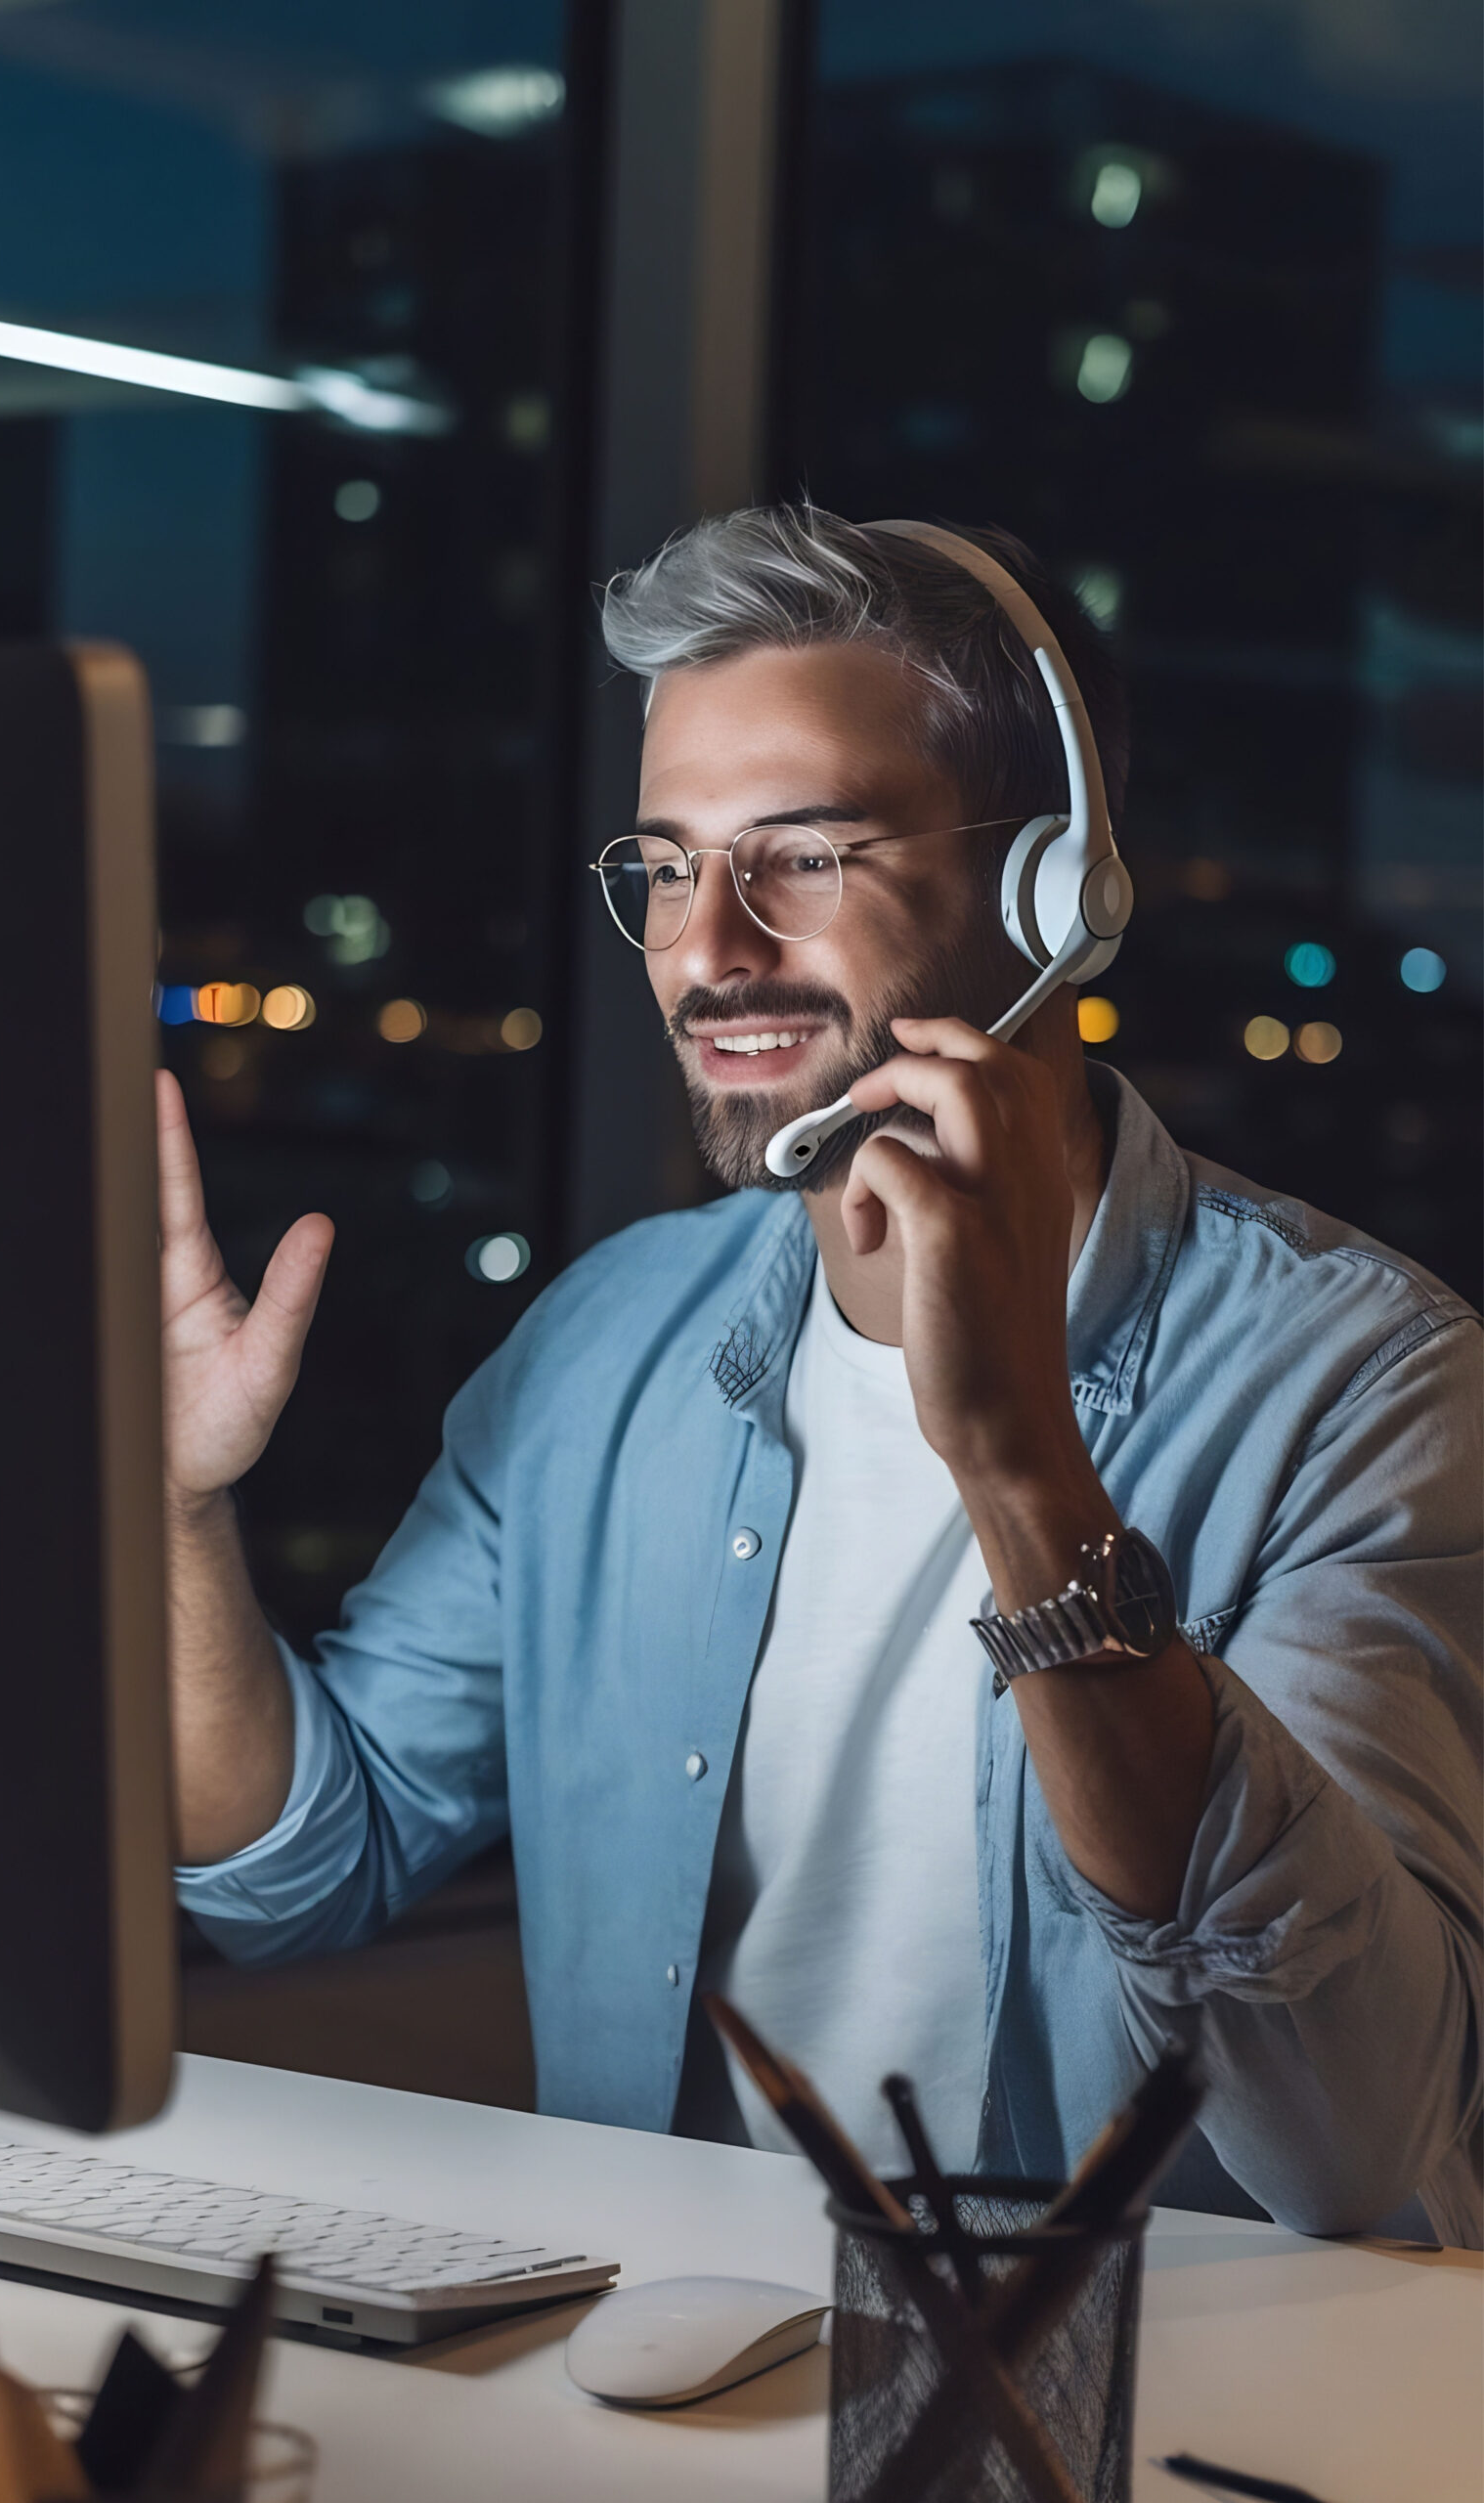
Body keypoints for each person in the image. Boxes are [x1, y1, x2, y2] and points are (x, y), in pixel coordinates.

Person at [165, 506, 1481, 2244]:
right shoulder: (601, 1348)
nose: (707, 951)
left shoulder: (1363, 1381)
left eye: (803, 857)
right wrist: (173, 1513)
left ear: (1054, 892)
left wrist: (1018, 1464)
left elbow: (1354, 2139)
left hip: (1148, 2426)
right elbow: (304, 1873)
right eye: (663, 865)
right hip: (685, 2399)